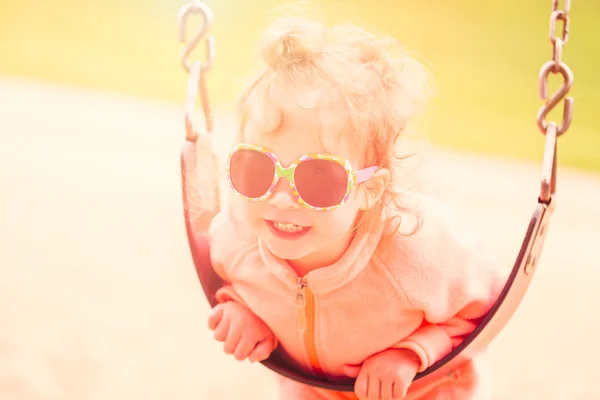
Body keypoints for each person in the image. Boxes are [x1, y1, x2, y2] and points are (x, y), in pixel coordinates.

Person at [206, 14, 504, 400]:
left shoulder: (417, 252)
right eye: (256, 168)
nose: (279, 197)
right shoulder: (237, 237)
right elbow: (233, 280)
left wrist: (411, 353)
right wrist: (240, 308)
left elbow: (487, 306)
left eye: (318, 178)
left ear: (370, 190)